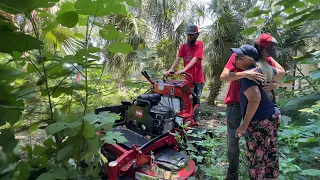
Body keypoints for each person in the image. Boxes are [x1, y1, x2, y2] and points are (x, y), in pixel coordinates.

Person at [220, 34, 285, 180]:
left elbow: (280, 72)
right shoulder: (241, 54)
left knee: (260, 152)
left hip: (257, 111)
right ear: (259, 47)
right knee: (234, 142)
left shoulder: (265, 60)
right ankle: (232, 174)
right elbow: (224, 76)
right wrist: (245, 74)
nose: (268, 55)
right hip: (236, 105)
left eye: (271, 52)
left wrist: (273, 83)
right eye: (267, 51)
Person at [164, 24, 204, 121]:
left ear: (197, 35)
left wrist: (183, 70)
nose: (189, 37)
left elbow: (195, 59)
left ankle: (195, 120)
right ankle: (183, 119)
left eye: (191, 35)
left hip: (197, 80)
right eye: (188, 35)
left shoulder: (199, 44)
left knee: (196, 100)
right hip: (186, 80)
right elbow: (178, 58)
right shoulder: (184, 46)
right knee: (184, 99)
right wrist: (171, 69)